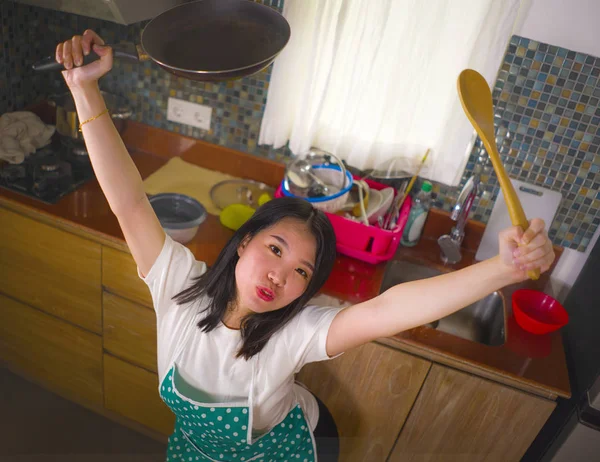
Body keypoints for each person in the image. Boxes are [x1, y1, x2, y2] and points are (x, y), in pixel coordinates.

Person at [55, 30, 556, 462]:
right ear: (245, 240)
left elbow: (388, 311)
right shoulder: (178, 288)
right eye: (275, 250)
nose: (280, 275)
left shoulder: (293, 332)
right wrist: (84, 90)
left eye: (301, 272)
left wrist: (501, 269)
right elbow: (129, 203)